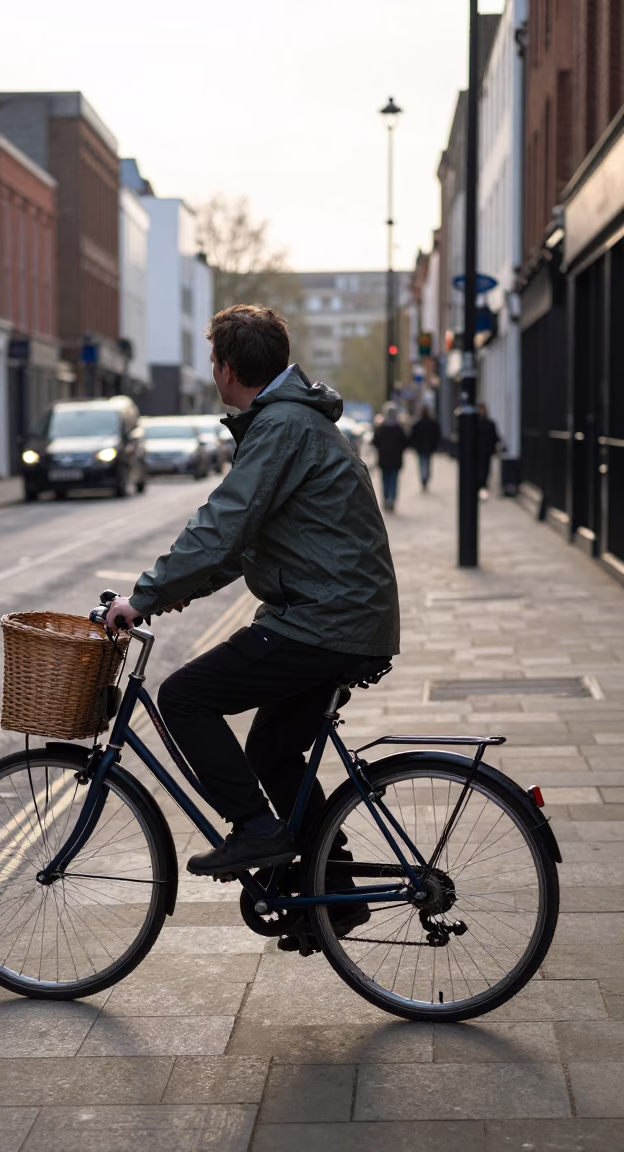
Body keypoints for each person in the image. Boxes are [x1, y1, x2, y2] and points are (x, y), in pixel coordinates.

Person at [105, 305, 399, 929]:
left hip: (324, 619)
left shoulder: (281, 426)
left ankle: (255, 829)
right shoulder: (292, 421)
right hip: (342, 615)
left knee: (184, 696)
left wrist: (144, 596)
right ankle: (332, 892)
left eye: (213, 362)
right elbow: (245, 543)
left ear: (227, 367)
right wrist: (176, 591)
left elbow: (222, 524)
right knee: (269, 746)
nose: (213, 373)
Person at [372, 403, 408, 511]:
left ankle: (386, 497)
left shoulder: (381, 428)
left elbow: (375, 441)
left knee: (385, 480)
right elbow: (406, 442)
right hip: (396, 459)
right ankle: (392, 499)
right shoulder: (399, 429)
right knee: (394, 480)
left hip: (384, 459)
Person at [409, 406, 441, 491]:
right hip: (428, 447)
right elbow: (437, 434)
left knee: (422, 463)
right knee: (427, 462)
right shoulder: (432, 423)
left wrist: (414, 445)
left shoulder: (418, 424)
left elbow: (412, 435)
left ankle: (424, 478)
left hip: (421, 447)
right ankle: (425, 477)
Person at [477, 403, 501, 500]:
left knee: (479, 469)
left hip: (478, 451)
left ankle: (480, 486)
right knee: (485, 469)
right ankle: (483, 487)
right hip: (487, 451)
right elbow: (495, 437)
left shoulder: (475, 423)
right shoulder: (490, 423)